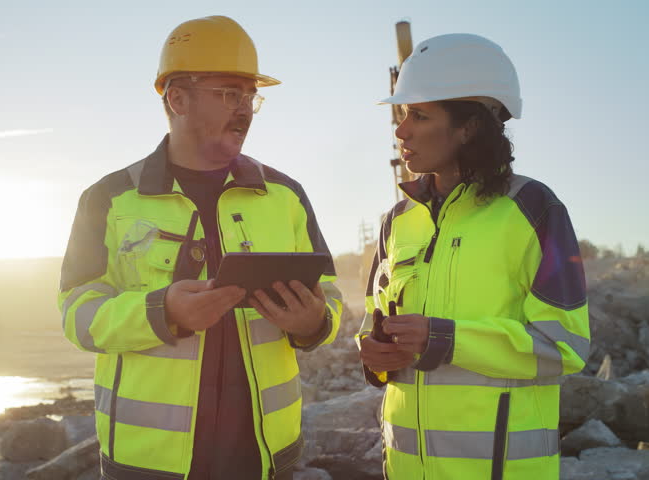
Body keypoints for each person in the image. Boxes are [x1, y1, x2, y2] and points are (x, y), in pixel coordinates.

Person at [58, 16, 342, 480]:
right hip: (147, 463)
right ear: (177, 98)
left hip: (264, 459)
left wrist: (315, 323)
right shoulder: (109, 199)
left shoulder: (286, 195)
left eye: (252, 96)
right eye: (231, 93)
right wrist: (161, 311)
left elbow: (328, 296)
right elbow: (76, 313)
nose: (246, 109)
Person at [357, 33, 590, 479]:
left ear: (469, 127)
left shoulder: (535, 209)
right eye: (403, 115)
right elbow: (374, 319)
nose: (401, 130)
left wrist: (444, 339)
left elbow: (565, 346)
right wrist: (373, 355)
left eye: (418, 115)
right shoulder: (397, 221)